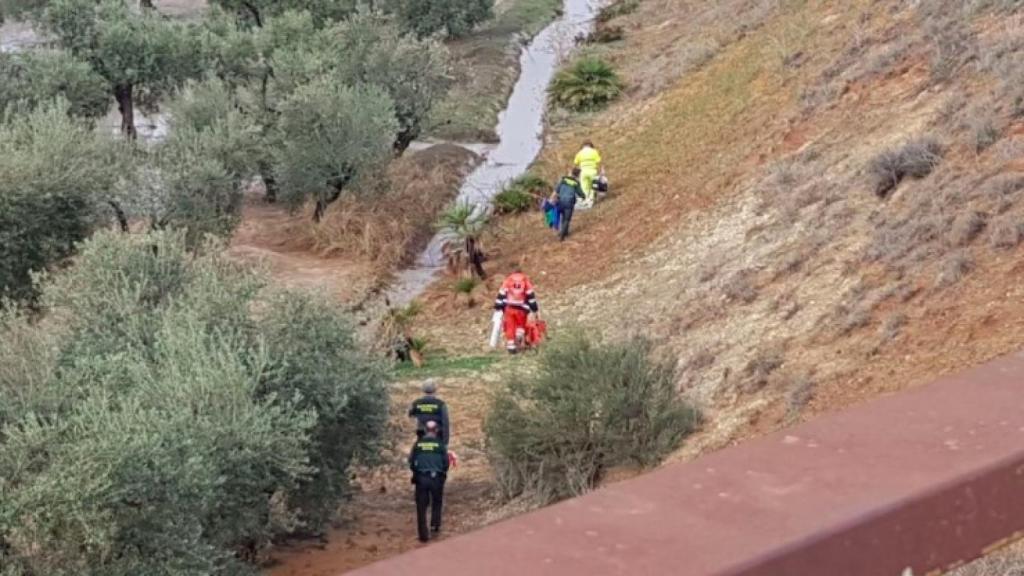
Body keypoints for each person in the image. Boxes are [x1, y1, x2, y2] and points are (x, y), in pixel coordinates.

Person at [409, 420, 449, 542]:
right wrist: (441, 472)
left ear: (425, 430)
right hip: (436, 478)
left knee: (421, 507)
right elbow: (446, 463)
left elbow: (411, 462)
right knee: (437, 502)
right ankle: (435, 526)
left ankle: (423, 535)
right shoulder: (440, 445)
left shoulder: (418, 444)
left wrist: (417, 472)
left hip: (421, 478)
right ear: (436, 430)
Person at [494, 267, 539, 354]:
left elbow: (501, 293)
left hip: (509, 308)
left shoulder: (508, 280)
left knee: (510, 327)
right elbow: (530, 295)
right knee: (520, 325)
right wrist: (534, 308)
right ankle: (519, 337)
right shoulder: (525, 280)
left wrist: (498, 305)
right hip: (522, 309)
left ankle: (511, 346)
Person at [409, 378, 450, 444]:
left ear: (423, 389)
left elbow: (409, 416)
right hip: (438, 437)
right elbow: (445, 424)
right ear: (435, 389)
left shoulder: (416, 404)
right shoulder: (441, 404)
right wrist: (445, 442)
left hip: (422, 437)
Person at [552, 167, 585, 241]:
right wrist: (584, 197)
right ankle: (562, 236)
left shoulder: (563, 180)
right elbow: (580, 193)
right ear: (578, 175)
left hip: (560, 202)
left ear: (571, 173)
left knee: (562, 218)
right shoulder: (576, 183)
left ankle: (564, 232)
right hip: (569, 203)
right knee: (566, 219)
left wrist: (552, 199)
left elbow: (556, 191)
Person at [573, 140, 603, 208]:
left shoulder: (579, 153)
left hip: (583, 171)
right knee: (593, 186)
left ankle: (586, 200)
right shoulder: (594, 152)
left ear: (583, 146)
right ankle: (591, 199)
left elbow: (575, 163)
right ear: (591, 146)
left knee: (584, 186)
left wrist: (575, 173)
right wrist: (601, 170)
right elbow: (599, 161)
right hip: (592, 171)